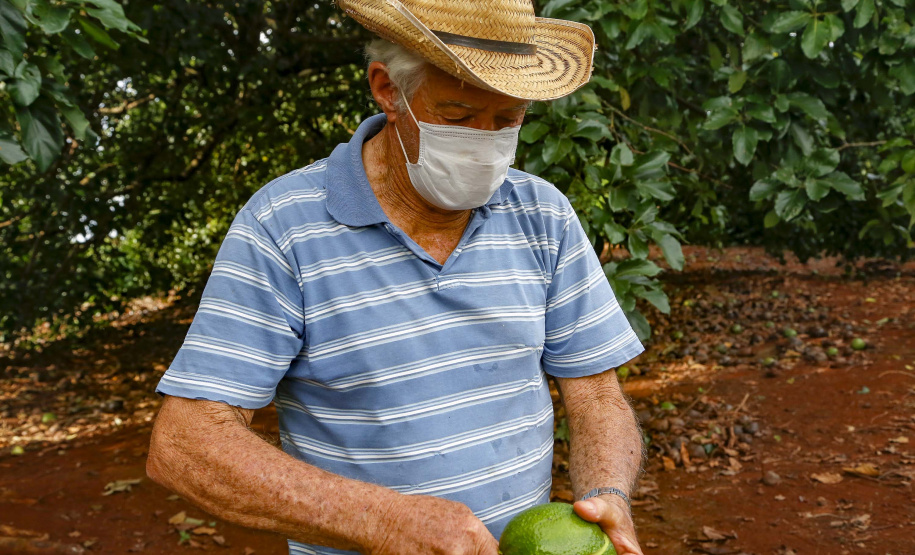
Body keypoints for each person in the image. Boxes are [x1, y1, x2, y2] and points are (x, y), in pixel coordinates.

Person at [146, 1, 647, 553]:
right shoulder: (284, 227)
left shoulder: (542, 214)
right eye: (458, 116)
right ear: (387, 89)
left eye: (508, 120)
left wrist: (608, 494)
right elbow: (186, 445)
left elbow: (596, 393)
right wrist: (381, 521)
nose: (484, 140)